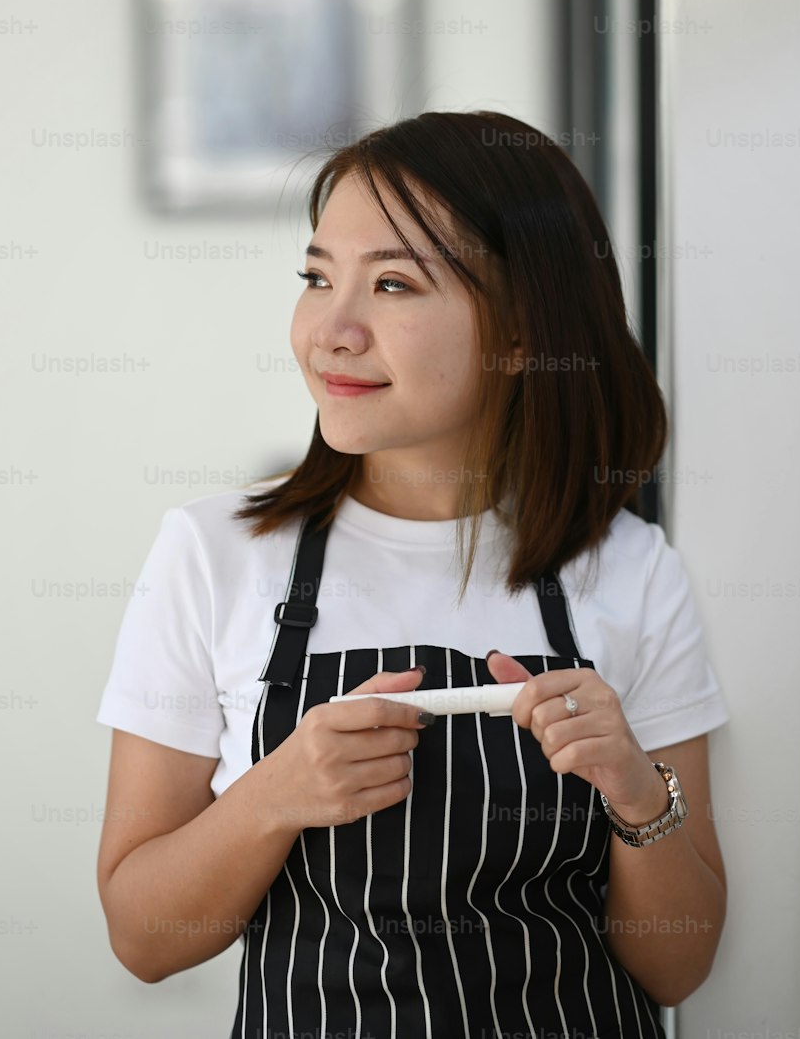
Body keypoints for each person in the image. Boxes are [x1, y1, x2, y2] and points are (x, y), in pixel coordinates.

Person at [95, 108, 729, 1038]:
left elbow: (679, 965)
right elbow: (144, 938)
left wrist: (637, 794)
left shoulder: (631, 571)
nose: (332, 330)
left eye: (392, 283)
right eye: (316, 278)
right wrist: (278, 794)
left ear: (522, 334)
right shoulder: (212, 554)